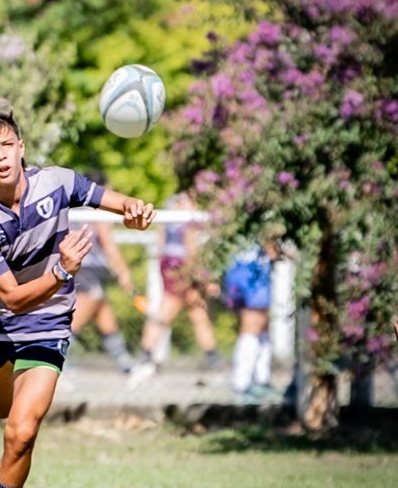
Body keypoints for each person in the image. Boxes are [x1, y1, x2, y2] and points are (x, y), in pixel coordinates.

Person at [0, 101, 155, 488]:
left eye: (8, 144)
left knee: (21, 431)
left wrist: (134, 209)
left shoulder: (57, 182)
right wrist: (64, 271)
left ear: (22, 147)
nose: (2, 155)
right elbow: (11, 298)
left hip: (49, 321)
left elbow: (109, 199)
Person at [129, 191, 223, 387]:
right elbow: (192, 250)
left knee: (197, 311)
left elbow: (161, 243)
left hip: (170, 264)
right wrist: (205, 278)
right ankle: (146, 357)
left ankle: (213, 358)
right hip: (182, 267)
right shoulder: (187, 220)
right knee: (167, 312)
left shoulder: (169, 215)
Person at [70, 171, 136, 374]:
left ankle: (125, 364)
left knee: (102, 312)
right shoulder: (98, 208)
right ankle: (52, 356)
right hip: (89, 266)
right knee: (82, 311)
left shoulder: (76, 204)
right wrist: (124, 273)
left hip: (79, 264)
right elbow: (108, 243)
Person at [223, 242, 281, 401]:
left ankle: (260, 379)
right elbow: (273, 249)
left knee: (262, 326)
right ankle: (242, 383)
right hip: (251, 270)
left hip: (245, 268)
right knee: (252, 326)